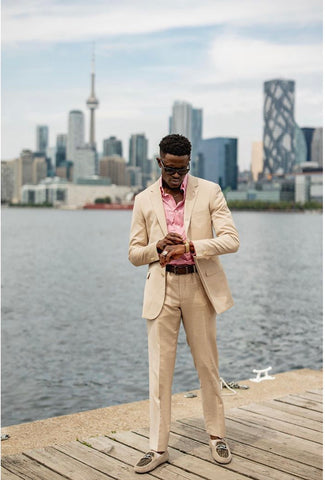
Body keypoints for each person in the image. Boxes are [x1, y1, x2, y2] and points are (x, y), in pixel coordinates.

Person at [128, 134, 239, 474]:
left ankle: (216, 436)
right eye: (171, 169)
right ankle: (157, 447)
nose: (177, 175)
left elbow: (231, 240)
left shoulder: (209, 191)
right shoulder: (143, 199)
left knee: (207, 366)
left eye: (183, 169)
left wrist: (191, 247)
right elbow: (134, 254)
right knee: (159, 373)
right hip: (162, 289)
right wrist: (158, 247)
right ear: (160, 163)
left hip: (198, 286)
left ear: (190, 163)